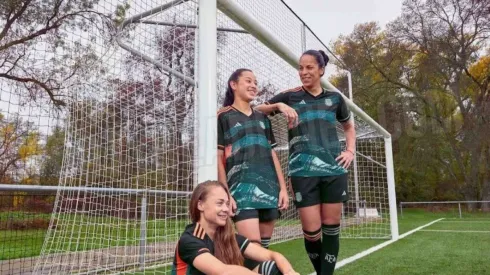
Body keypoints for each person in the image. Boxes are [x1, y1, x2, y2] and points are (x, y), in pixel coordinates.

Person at [255, 50, 356, 275]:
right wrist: (278, 107)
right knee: (311, 231)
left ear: (321, 70)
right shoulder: (290, 96)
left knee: (331, 227)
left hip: (334, 169)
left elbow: (349, 126)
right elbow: (257, 110)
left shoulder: (335, 98)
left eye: (309, 67)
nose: (304, 72)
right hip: (302, 172)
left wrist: (350, 150)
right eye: (301, 68)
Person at [217, 69, 289, 267]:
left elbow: (272, 153)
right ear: (234, 84)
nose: (253, 85)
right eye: (248, 81)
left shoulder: (262, 118)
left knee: (263, 249)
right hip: (241, 191)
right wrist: (225, 194)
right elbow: (218, 157)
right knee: (251, 250)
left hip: (269, 189)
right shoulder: (223, 116)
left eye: (255, 82)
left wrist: (282, 189)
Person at [171, 181, 299, 275]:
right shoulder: (190, 239)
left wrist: (289, 271)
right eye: (220, 203)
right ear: (200, 205)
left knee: (272, 267)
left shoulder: (227, 237)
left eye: (227, 204)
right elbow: (223, 271)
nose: (226, 209)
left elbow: (271, 255)